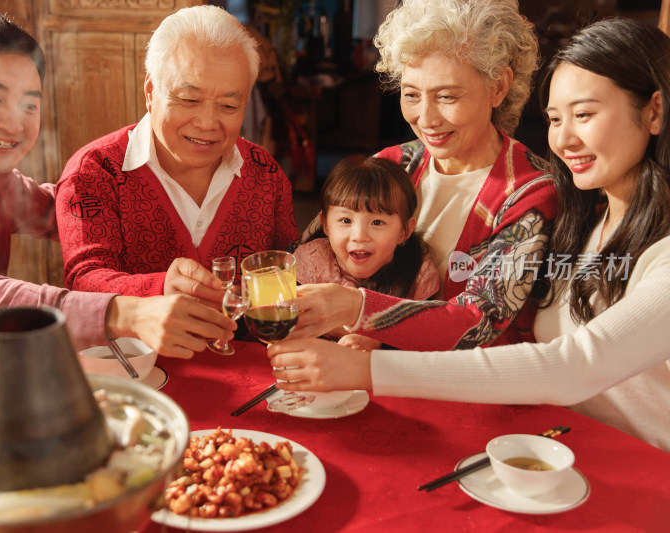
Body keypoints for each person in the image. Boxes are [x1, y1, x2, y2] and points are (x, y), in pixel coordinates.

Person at [269, 18, 670, 452]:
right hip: (550, 441)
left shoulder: (537, 193)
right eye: (555, 118)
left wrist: (361, 344)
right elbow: (303, 262)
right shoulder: (586, 218)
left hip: (612, 451)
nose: (565, 138)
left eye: (585, 114)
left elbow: (556, 360)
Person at [0, 7, 234, 358]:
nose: (14, 124)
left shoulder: (2, 187)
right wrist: (124, 314)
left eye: (29, 104)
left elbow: (87, 212)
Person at [292, 0, 557, 352]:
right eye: (411, 95)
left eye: (446, 96)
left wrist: (358, 310)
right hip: (362, 375)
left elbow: (476, 322)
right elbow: (306, 256)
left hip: (473, 390)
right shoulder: (391, 163)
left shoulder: (529, 191)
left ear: (498, 87)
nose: (426, 119)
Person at [55, 6, 298, 306]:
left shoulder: (266, 175)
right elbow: (84, 279)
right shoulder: (94, 172)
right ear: (150, 91)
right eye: (189, 99)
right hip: (136, 354)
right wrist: (159, 288)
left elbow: (288, 274)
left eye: (228, 106)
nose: (208, 123)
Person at [294, 155, 439, 301]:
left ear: (404, 231)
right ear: (326, 225)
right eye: (346, 220)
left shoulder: (418, 278)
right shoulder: (312, 262)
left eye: (376, 223)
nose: (359, 236)